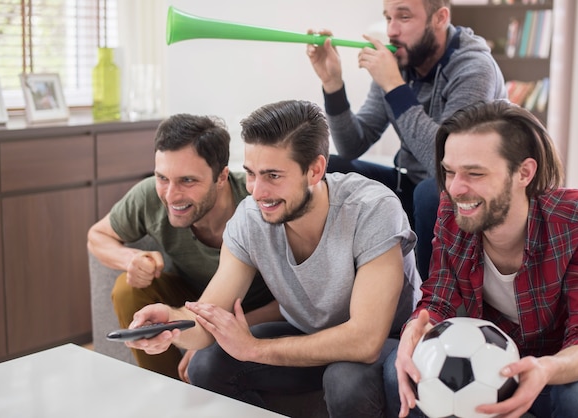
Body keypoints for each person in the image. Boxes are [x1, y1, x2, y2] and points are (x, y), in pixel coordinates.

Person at [125, 100, 422, 417]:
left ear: (315, 170)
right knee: (207, 364)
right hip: (305, 334)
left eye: (273, 175)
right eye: (251, 173)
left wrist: (254, 349)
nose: (257, 191)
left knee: (345, 380)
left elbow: (365, 340)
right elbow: (207, 319)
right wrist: (170, 324)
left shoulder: (371, 208)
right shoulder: (250, 219)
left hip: (386, 340)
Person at [384, 100, 578, 418]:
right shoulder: (452, 211)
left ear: (524, 172)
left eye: (474, 173)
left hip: (553, 367)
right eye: (449, 172)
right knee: (398, 369)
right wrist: (415, 328)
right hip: (483, 367)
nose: (455, 188)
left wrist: (546, 368)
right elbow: (438, 301)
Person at [306, 0, 507, 279]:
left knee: (429, 191)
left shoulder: (474, 68)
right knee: (328, 168)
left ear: (439, 18)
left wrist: (393, 86)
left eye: (403, 17)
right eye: (388, 18)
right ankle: (337, 282)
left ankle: (428, 303)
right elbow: (353, 144)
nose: (392, 30)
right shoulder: (401, 62)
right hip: (411, 185)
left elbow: (447, 162)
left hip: (465, 191)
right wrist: (333, 84)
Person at [86, 114, 277, 381]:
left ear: (221, 177)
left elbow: (293, 303)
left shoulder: (258, 207)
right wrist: (131, 258)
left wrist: (214, 333)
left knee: (209, 360)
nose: (171, 195)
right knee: (128, 290)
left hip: (257, 311)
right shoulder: (150, 197)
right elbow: (97, 236)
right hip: (193, 300)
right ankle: (168, 391)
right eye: (162, 177)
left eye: (188, 181)